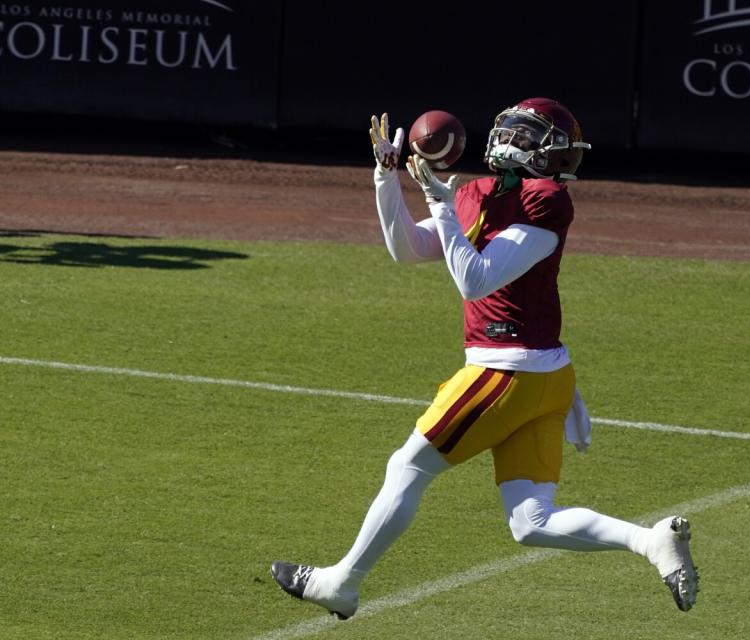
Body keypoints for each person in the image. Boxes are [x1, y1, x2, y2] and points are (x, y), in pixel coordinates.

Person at [270, 97, 699, 618]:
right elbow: (408, 249)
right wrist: (387, 180)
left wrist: (442, 208)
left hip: (506, 371)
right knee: (531, 522)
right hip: (544, 375)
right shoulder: (477, 191)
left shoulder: (546, 200)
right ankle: (651, 542)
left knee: (407, 466)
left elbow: (475, 280)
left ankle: (342, 582)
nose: (559, 158)